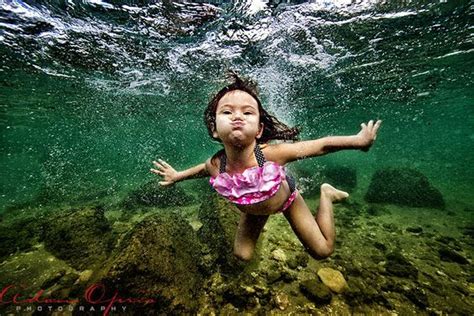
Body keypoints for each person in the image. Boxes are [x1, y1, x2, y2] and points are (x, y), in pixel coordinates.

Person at [150, 72, 382, 262]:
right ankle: (262, 219)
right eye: (227, 111)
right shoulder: (217, 165)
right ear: (214, 129)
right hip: (252, 211)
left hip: (286, 200)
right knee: (241, 255)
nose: (237, 117)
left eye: (248, 112)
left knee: (322, 251)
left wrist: (357, 141)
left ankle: (326, 194)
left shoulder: (270, 154)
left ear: (259, 130)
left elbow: (320, 146)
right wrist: (177, 176)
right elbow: (201, 170)